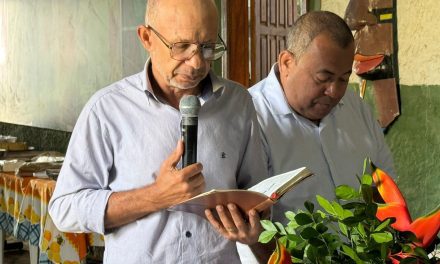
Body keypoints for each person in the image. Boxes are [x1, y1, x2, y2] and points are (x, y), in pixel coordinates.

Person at [48, 0, 268, 263]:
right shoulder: (106, 109)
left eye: (207, 47)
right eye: (181, 46)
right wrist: (155, 196)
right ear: (147, 38)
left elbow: (258, 194)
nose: (197, 63)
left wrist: (256, 225)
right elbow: (65, 209)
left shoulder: (239, 103)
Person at [249, 11, 396, 224]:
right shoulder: (250, 117)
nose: (334, 92)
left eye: (344, 79)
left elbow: (386, 185)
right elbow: (252, 222)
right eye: (323, 78)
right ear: (287, 63)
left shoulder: (355, 107)